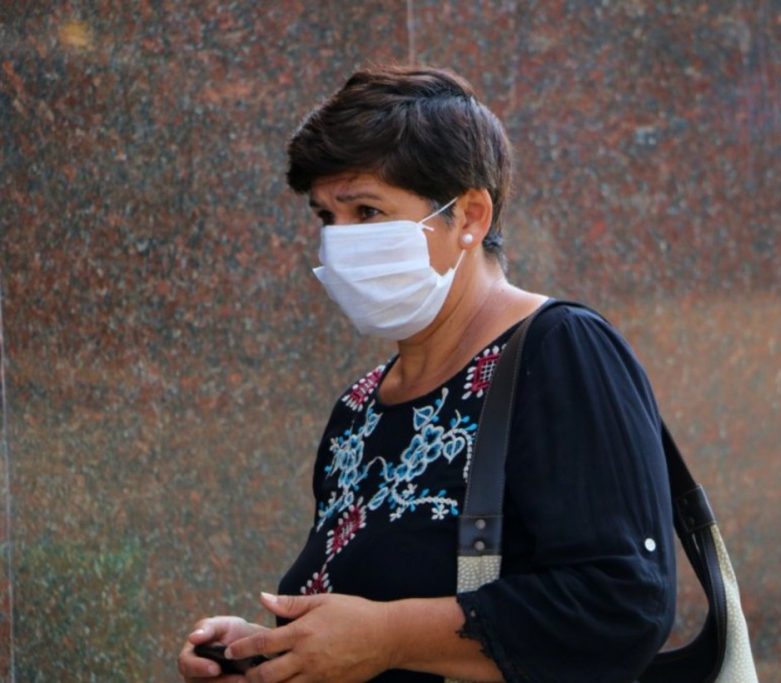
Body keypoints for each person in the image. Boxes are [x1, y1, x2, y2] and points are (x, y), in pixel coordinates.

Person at [177, 66, 677, 682]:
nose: (340, 243)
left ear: (468, 216)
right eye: (325, 217)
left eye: (367, 210)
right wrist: (272, 653)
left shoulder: (559, 350)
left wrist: (388, 638)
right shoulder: (361, 405)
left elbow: (623, 604)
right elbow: (366, 616)